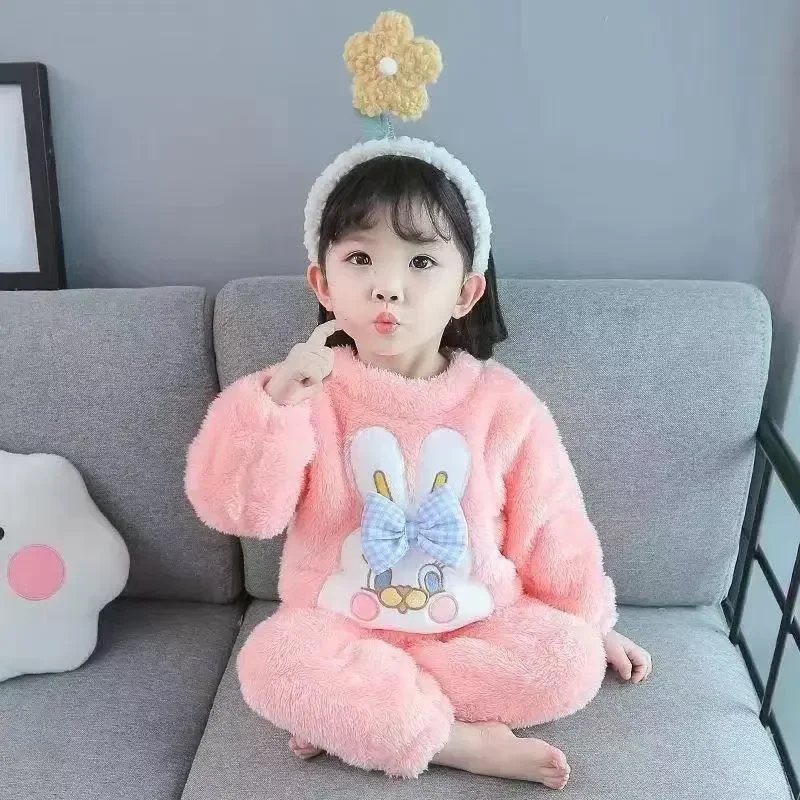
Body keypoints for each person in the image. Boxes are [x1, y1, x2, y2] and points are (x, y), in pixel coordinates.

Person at [185, 12, 652, 789]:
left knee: (569, 662)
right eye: (360, 258)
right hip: (341, 629)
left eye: (421, 261)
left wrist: (594, 625)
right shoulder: (302, 391)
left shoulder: (503, 404)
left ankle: (363, 716)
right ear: (322, 281)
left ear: (466, 290)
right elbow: (240, 511)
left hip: (472, 628)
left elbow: (554, 528)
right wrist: (277, 400)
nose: (388, 287)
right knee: (271, 664)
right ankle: (454, 741)